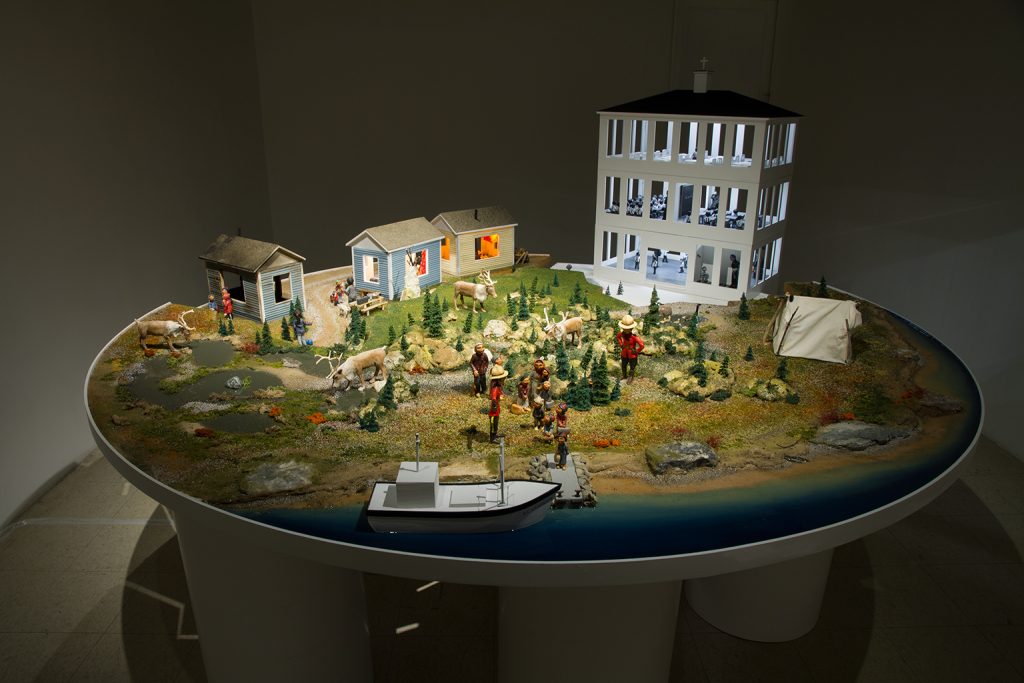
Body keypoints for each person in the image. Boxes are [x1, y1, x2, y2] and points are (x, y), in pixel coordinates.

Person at [616, 314, 645, 383]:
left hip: (632, 354)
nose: (626, 330)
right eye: (624, 328)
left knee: (632, 367)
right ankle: (624, 375)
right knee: (623, 365)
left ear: (631, 328)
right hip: (624, 353)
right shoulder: (622, 334)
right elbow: (618, 337)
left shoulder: (634, 337)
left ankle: (630, 377)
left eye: (627, 329)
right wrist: (621, 344)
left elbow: (642, 345)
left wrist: (636, 351)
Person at [487, 364, 508, 443]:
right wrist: (495, 407)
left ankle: (495, 434)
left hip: (496, 407)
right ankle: (492, 438)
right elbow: (493, 399)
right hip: (494, 410)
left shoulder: (498, 386)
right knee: (493, 423)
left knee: (496, 422)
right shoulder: (495, 388)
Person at [554, 402, 570, 469]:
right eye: (557, 408)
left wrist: (563, 424)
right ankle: (558, 463)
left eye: (559, 408)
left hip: (563, 429)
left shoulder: (564, 416)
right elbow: (558, 421)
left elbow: (564, 422)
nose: (557, 409)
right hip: (559, 429)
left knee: (563, 456)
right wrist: (560, 424)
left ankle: (563, 464)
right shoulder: (558, 415)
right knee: (557, 455)